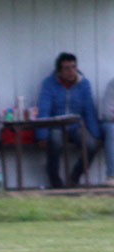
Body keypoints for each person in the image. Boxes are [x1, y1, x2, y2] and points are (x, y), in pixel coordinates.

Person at [37, 52, 102, 189]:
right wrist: (42, 134)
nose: (71, 71)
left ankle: (75, 176)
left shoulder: (84, 84)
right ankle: (55, 180)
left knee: (91, 145)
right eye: (67, 68)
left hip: (76, 124)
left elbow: (89, 110)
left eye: (73, 67)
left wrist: (96, 135)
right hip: (55, 124)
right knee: (54, 142)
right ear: (59, 70)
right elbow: (44, 109)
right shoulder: (49, 84)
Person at [101, 76, 114, 187]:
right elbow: (108, 113)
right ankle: (112, 175)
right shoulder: (112, 84)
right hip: (111, 122)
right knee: (112, 130)